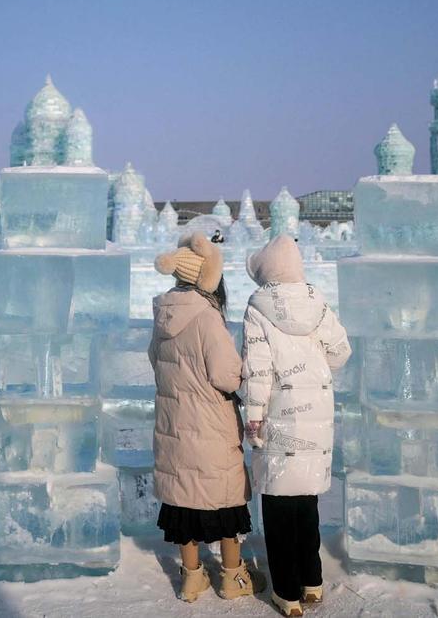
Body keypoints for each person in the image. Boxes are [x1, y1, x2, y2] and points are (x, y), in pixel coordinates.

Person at [240, 235, 351, 617]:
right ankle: (312, 582)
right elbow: (341, 351)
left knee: (277, 506)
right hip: (315, 416)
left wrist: (253, 417)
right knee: (306, 504)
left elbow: (257, 369)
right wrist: (316, 368)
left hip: (278, 418)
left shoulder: (257, 308)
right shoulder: (318, 304)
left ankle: (286, 594)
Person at [150, 233, 258, 603]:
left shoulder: (164, 315)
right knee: (225, 498)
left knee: (183, 498)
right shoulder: (207, 317)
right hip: (209, 421)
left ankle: (192, 577)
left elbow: (156, 363)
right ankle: (232, 577)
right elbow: (226, 374)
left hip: (174, 420)